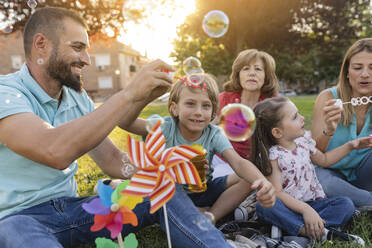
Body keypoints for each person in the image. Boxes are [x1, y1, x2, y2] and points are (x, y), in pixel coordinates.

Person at [0, 7, 233, 248]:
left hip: (75, 210)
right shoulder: (6, 93)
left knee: (161, 187)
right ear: (41, 44)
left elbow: (112, 159)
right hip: (18, 218)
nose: (87, 60)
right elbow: (53, 150)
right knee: (15, 229)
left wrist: (163, 170)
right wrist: (130, 94)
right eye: (78, 47)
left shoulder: (76, 97)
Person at [127, 73, 276, 224]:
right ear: (174, 108)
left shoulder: (214, 133)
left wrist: (262, 182)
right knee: (147, 196)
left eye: (205, 106)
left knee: (247, 178)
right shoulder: (165, 127)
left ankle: (210, 215)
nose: (198, 112)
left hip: (203, 190)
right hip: (169, 192)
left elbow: (238, 162)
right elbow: (127, 123)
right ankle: (190, 210)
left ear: (213, 112)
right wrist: (145, 97)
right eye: (190, 104)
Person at [251, 97, 369, 244]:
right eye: (295, 117)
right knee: (265, 206)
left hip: (315, 205)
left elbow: (324, 160)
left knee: (346, 204)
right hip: (289, 207)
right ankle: (318, 232)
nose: (301, 118)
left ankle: (293, 229)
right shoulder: (274, 155)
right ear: (277, 132)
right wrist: (305, 210)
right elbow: (277, 192)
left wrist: (351, 145)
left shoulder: (303, 142)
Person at [311, 38, 372, 210]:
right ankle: (365, 201)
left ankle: (357, 201)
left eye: (371, 68)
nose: (365, 74)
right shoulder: (328, 98)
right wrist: (328, 130)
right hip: (329, 172)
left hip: (364, 174)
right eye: (358, 68)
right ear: (347, 72)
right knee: (325, 183)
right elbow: (315, 152)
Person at [212, 49, 279, 178]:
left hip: (257, 163)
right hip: (223, 159)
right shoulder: (224, 99)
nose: (252, 73)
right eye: (246, 69)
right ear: (238, 74)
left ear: (266, 76)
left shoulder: (274, 103)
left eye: (258, 69)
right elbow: (206, 130)